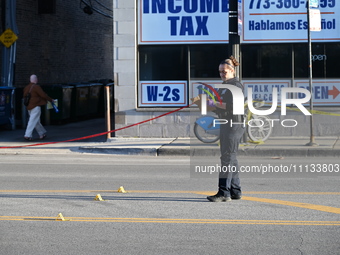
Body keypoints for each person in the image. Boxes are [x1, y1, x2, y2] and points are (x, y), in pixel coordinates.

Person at [206, 56, 245, 202]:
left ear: (232, 71)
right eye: (220, 72)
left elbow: (234, 106)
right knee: (231, 158)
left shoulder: (235, 86)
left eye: (225, 72)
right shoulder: (226, 86)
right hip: (227, 123)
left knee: (227, 159)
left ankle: (223, 193)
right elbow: (222, 107)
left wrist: (214, 103)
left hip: (233, 125)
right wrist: (210, 105)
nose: (222, 74)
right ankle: (235, 190)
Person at [23, 74, 54, 141]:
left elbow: (24, 96)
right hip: (36, 106)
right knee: (32, 121)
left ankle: (42, 133)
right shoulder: (36, 87)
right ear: (36, 79)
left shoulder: (26, 87)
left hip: (29, 106)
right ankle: (27, 135)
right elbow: (43, 95)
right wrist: (50, 99)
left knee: (36, 121)